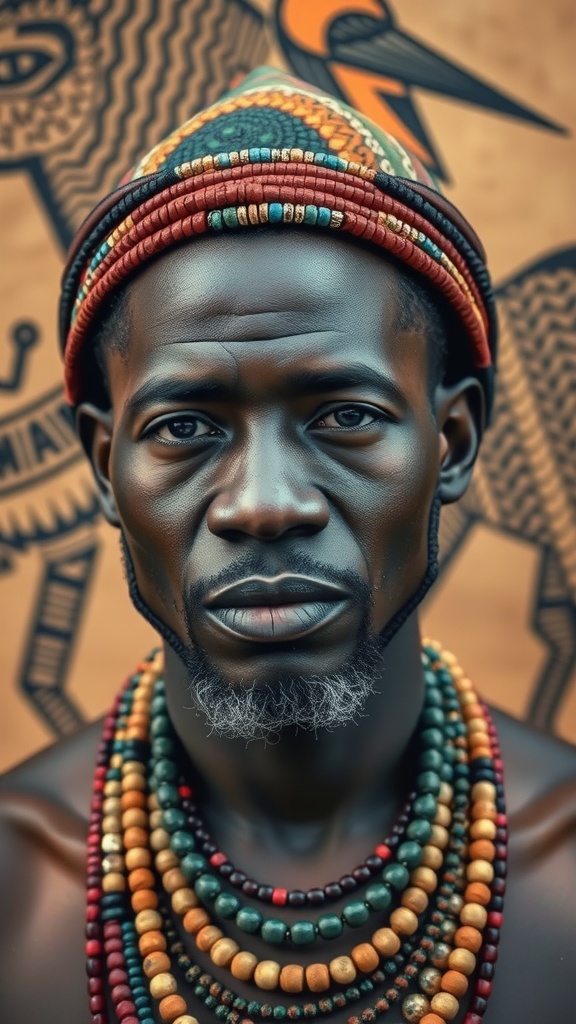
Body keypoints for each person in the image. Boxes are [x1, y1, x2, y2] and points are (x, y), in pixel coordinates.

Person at [1, 67, 574, 1024]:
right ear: (106, 469)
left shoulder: (560, 863)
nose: (264, 506)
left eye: (345, 416)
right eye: (186, 428)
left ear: (454, 443)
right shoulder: (20, 883)